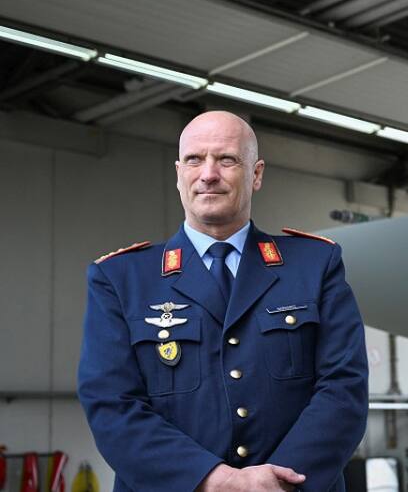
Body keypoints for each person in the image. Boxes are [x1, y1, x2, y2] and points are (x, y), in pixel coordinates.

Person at [77, 111, 369, 492]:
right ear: (179, 174)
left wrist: (277, 484)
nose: (208, 174)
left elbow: (344, 388)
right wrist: (216, 481)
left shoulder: (315, 265)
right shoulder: (121, 278)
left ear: (257, 174)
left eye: (226, 159)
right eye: (195, 159)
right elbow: (112, 405)